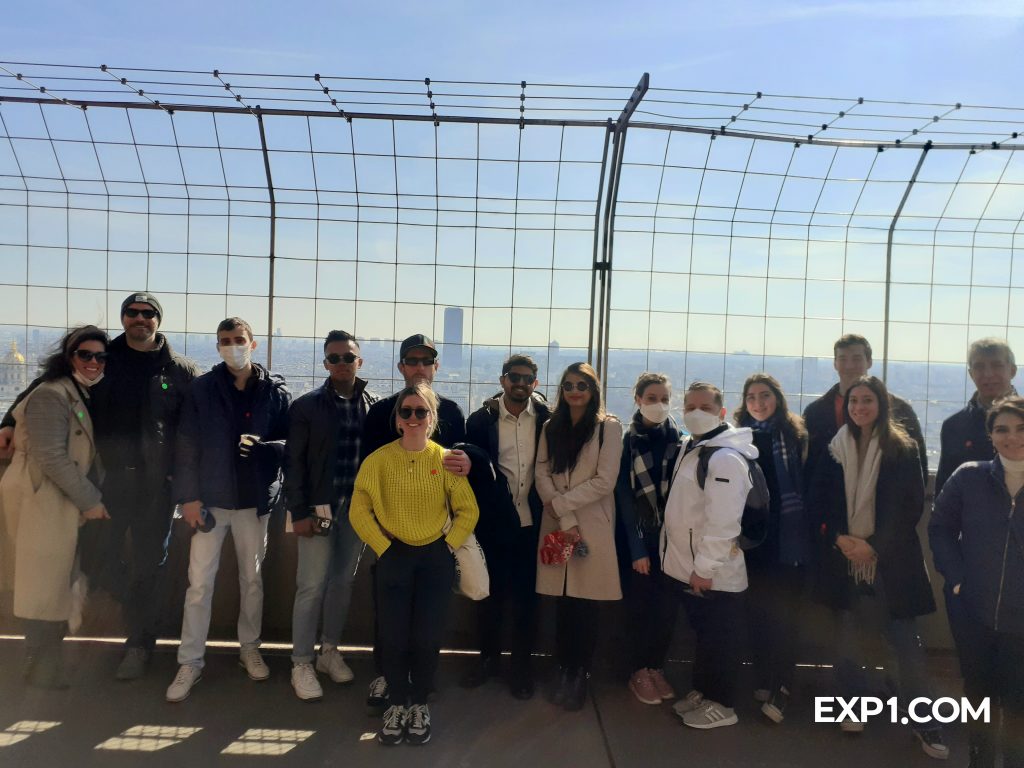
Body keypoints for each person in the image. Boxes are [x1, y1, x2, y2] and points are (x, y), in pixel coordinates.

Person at [0, 292, 200, 681]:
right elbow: (44, 388)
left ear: (158, 320)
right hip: (105, 481)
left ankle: (140, 644)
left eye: (147, 313)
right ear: (123, 317)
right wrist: (8, 421)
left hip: (155, 486)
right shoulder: (101, 356)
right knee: (93, 558)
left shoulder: (180, 370)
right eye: (131, 312)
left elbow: (193, 426)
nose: (139, 319)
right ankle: (134, 608)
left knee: (149, 564)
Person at [808, 375, 946, 759]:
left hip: (892, 564)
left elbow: (910, 508)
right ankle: (853, 707)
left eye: (867, 400)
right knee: (847, 637)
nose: (859, 408)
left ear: (882, 405)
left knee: (905, 644)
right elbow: (817, 503)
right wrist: (840, 539)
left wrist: (872, 548)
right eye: (853, 402)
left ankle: (925, 720)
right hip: (844, 560)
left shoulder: (903, 448)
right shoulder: (834, 449)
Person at [166, 317, 290, 703]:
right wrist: (188, 497)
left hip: (254, 500)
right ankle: (190, 660)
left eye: (239, 340)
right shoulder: (202, 389)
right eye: (225, 340)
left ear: (253, 344)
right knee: (199, 582)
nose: (232, 346)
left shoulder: (275, 392)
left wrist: (266, 447)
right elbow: (185, 444)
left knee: (251, 579)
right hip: (211, 500)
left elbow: (291, 444)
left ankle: (249, 647)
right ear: (217, 345)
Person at [349, 383, 479, 746]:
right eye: (406, 411)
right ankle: (395, 703)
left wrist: (447, 547)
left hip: (434, 558)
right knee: (392, 634)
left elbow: (468, 510)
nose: (413, 418)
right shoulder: (378, 461)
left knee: (427, 633)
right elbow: (359, 508)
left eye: (421, 411)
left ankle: (419, 702)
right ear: (397, 419)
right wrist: (382, 546)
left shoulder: (444, 459)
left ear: (431, 418)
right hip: (394, 556)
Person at [361, 333, 471, 711]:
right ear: (401, 367)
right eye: (413, 360)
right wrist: (381, 539)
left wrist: (449, 541)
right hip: (389, 535)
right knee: (388, 614)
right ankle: (387, 675)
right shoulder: (379, 414)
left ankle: (420, 681)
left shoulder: (454, 414)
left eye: (427, 361)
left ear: (436, 367)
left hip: (436, 538)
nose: (420, 367)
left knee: (428, 617)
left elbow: (463, 474)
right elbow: (368, 478)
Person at [0, 325, 111, 687]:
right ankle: (40, 666)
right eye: (85, 355)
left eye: (100, 356)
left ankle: (43, 663)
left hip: (55, 500)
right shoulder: (52, 394)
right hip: (42, 499)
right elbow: (51, 456)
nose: (93, 362)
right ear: (68, 358)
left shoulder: (73, 391)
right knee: (43, 585)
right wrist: (91, 500)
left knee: (53, 583)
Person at [284, 330, 378, 701]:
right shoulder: (306, 406)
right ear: (325, 364)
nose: (341, 363)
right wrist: (299, 512)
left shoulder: (372, 405)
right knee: (310, 586)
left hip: (355, 513)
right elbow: (294, 464)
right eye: (334, 358)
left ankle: (329, 651)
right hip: (318, 509)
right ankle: (301, 661)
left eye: (348, 357)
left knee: (342, 584)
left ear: (359, 362)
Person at [931, 396, 1024, 768]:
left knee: (1018, 699)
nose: (1012, 437)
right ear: (990, 435)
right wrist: (956, 581)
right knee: (979, 694)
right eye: (1002, 429)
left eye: (1021, 428)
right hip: (974, 611)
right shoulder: (969, 477)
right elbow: (939, 527)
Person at [663, 382, 754, 730]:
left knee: (721, 640)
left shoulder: (725, 458)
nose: (695, 413)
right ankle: (704, 691)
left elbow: (723, 523)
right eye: (689, 407)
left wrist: (704, 568)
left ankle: (724, 704)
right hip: (694, 569)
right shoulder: (696, 447)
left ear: (722, 412)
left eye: (704, 407)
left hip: (715, 573)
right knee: (706, 637)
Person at [535, 362, 623, 712]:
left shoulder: (608, 428)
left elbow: (605, 481)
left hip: (589, 526)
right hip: (559, 524)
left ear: (593, 390)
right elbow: (541, 470)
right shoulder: (550, 426)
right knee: (563, 601)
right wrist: (563, 514)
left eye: (582, 385)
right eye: (569, 385)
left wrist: (561, 505)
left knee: (585, 604)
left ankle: (579, 672)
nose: (574, 391)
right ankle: (562, 667)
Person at [463, 354, 551, 699]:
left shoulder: (548, 420)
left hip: (533, 524)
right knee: (488, 598)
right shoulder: (480, 420)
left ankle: (521, 669)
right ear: (502, 380)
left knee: (527, 602)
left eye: (527, 378)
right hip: (493, 524)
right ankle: (487, 661)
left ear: (536, 384)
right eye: (514, 376)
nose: (520, 383)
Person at [733, 373, 808, 723]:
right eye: (751, 397)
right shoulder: (735, 439)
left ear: (777, 397)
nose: (758, 403)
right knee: (756, 613)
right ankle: (764, 676)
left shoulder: (795, 436)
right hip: (750, 542)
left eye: (765, 395)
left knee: (785, 617)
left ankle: (783, 685)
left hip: (787, 539)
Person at [615, 372, 682, 706]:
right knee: (639, 609)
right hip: (639, 541)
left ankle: (656, 667)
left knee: (666, 610)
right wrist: (638, 548)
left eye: (665, 399)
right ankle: (638, 669)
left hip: (672, 544)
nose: (659, 405)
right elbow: (624, 498)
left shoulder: (681, 441)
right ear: (638, 399)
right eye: (652, 398)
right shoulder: (627, 442)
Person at [804, 334, 927, 485]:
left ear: (869, 362)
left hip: (883, 501)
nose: (849, 366)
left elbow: (918, 469)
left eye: (856, 359)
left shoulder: (900, 410)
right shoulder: (814, 413)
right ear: (835, 364)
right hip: (830, 502)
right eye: (842, 359)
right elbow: (808, 467)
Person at [935, 338, 1017, 495]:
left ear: (1012, 370)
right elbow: (944, 490)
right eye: (979, 367)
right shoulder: (953, 426)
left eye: (996, 365)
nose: (988, 374)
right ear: (971, 374)